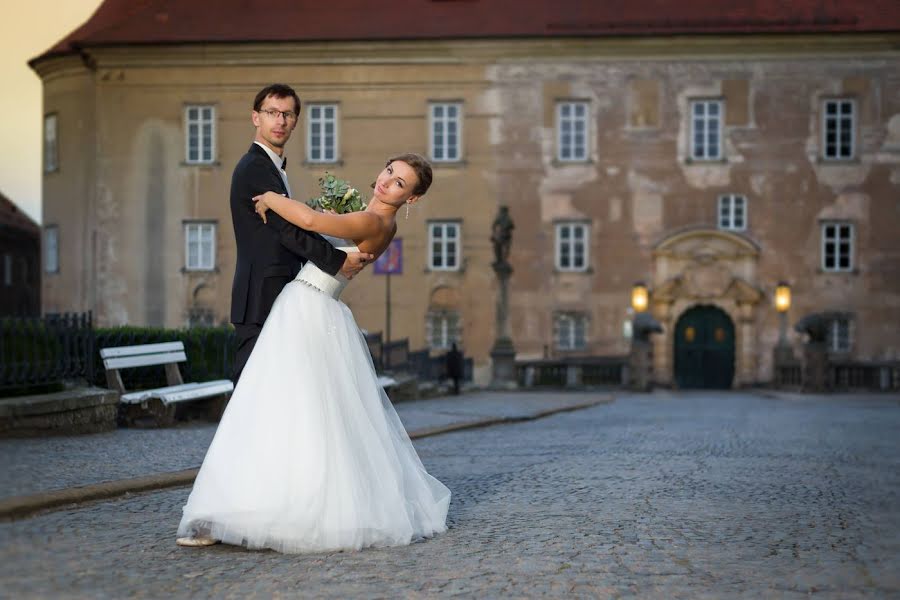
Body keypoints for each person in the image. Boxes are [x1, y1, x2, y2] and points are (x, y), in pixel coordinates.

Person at [176, 154, 450, 554]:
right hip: (310, 306)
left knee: (275, 407)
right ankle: (254, 502)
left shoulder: (374, 222)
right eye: (389, 171)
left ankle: (276, 507)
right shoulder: (366, 215)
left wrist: (270, 196)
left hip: (309, 307)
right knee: (287, 409)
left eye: (399, 183)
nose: (386, 181)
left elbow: (310, 223)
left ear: (411, 199)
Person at [229, 84, 373, 383]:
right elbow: (285, 230)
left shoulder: (272, 168)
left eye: (288, 114)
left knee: (276, 388)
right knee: (252, 391)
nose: (280, 121)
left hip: (277, 289)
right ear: (256, 117)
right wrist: (335, 260)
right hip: (261, 295)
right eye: (272, 113)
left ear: (295, 121)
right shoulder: (255, 167)